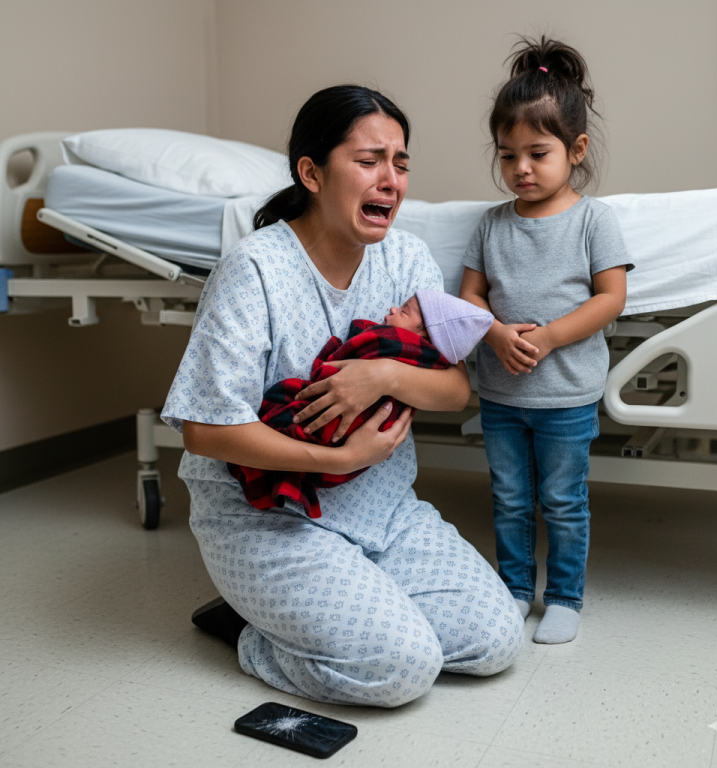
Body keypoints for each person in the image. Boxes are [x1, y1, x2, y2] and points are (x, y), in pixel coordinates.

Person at [161, 84, 524, 708]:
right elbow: (205, 431)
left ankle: (354, 601)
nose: (391, 180)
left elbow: (454, 389)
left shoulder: (405, 256)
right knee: (401, 669)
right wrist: (338, 459)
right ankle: (249, 632)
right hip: (269, 517)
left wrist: (381, 375)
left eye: (401, 163)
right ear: (311, 172)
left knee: (494, 641)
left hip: (383, 507)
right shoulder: (255, 269)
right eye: (369, 161)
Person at [460, 38, 633, 645]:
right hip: (503, 394)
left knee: (562, 500)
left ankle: (563, 596)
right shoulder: (491, 224)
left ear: (575, 149)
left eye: (537, 153)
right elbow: (471, 297)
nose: (521, 169)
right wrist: (496, 332)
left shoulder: (593, 221)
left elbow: (611, 298)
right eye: (508, 156)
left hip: (566, 396)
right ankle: (512, 589)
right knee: (509, 498)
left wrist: (553, 337)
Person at [228, 290, 494, 520]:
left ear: (425, 333)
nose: (392, 309)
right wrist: (344, 459)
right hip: (342, 455)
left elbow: (458, 393)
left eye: (403, 310)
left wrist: (384, 375)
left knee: (295, 415)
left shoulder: (402, 343)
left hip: (361, 443)